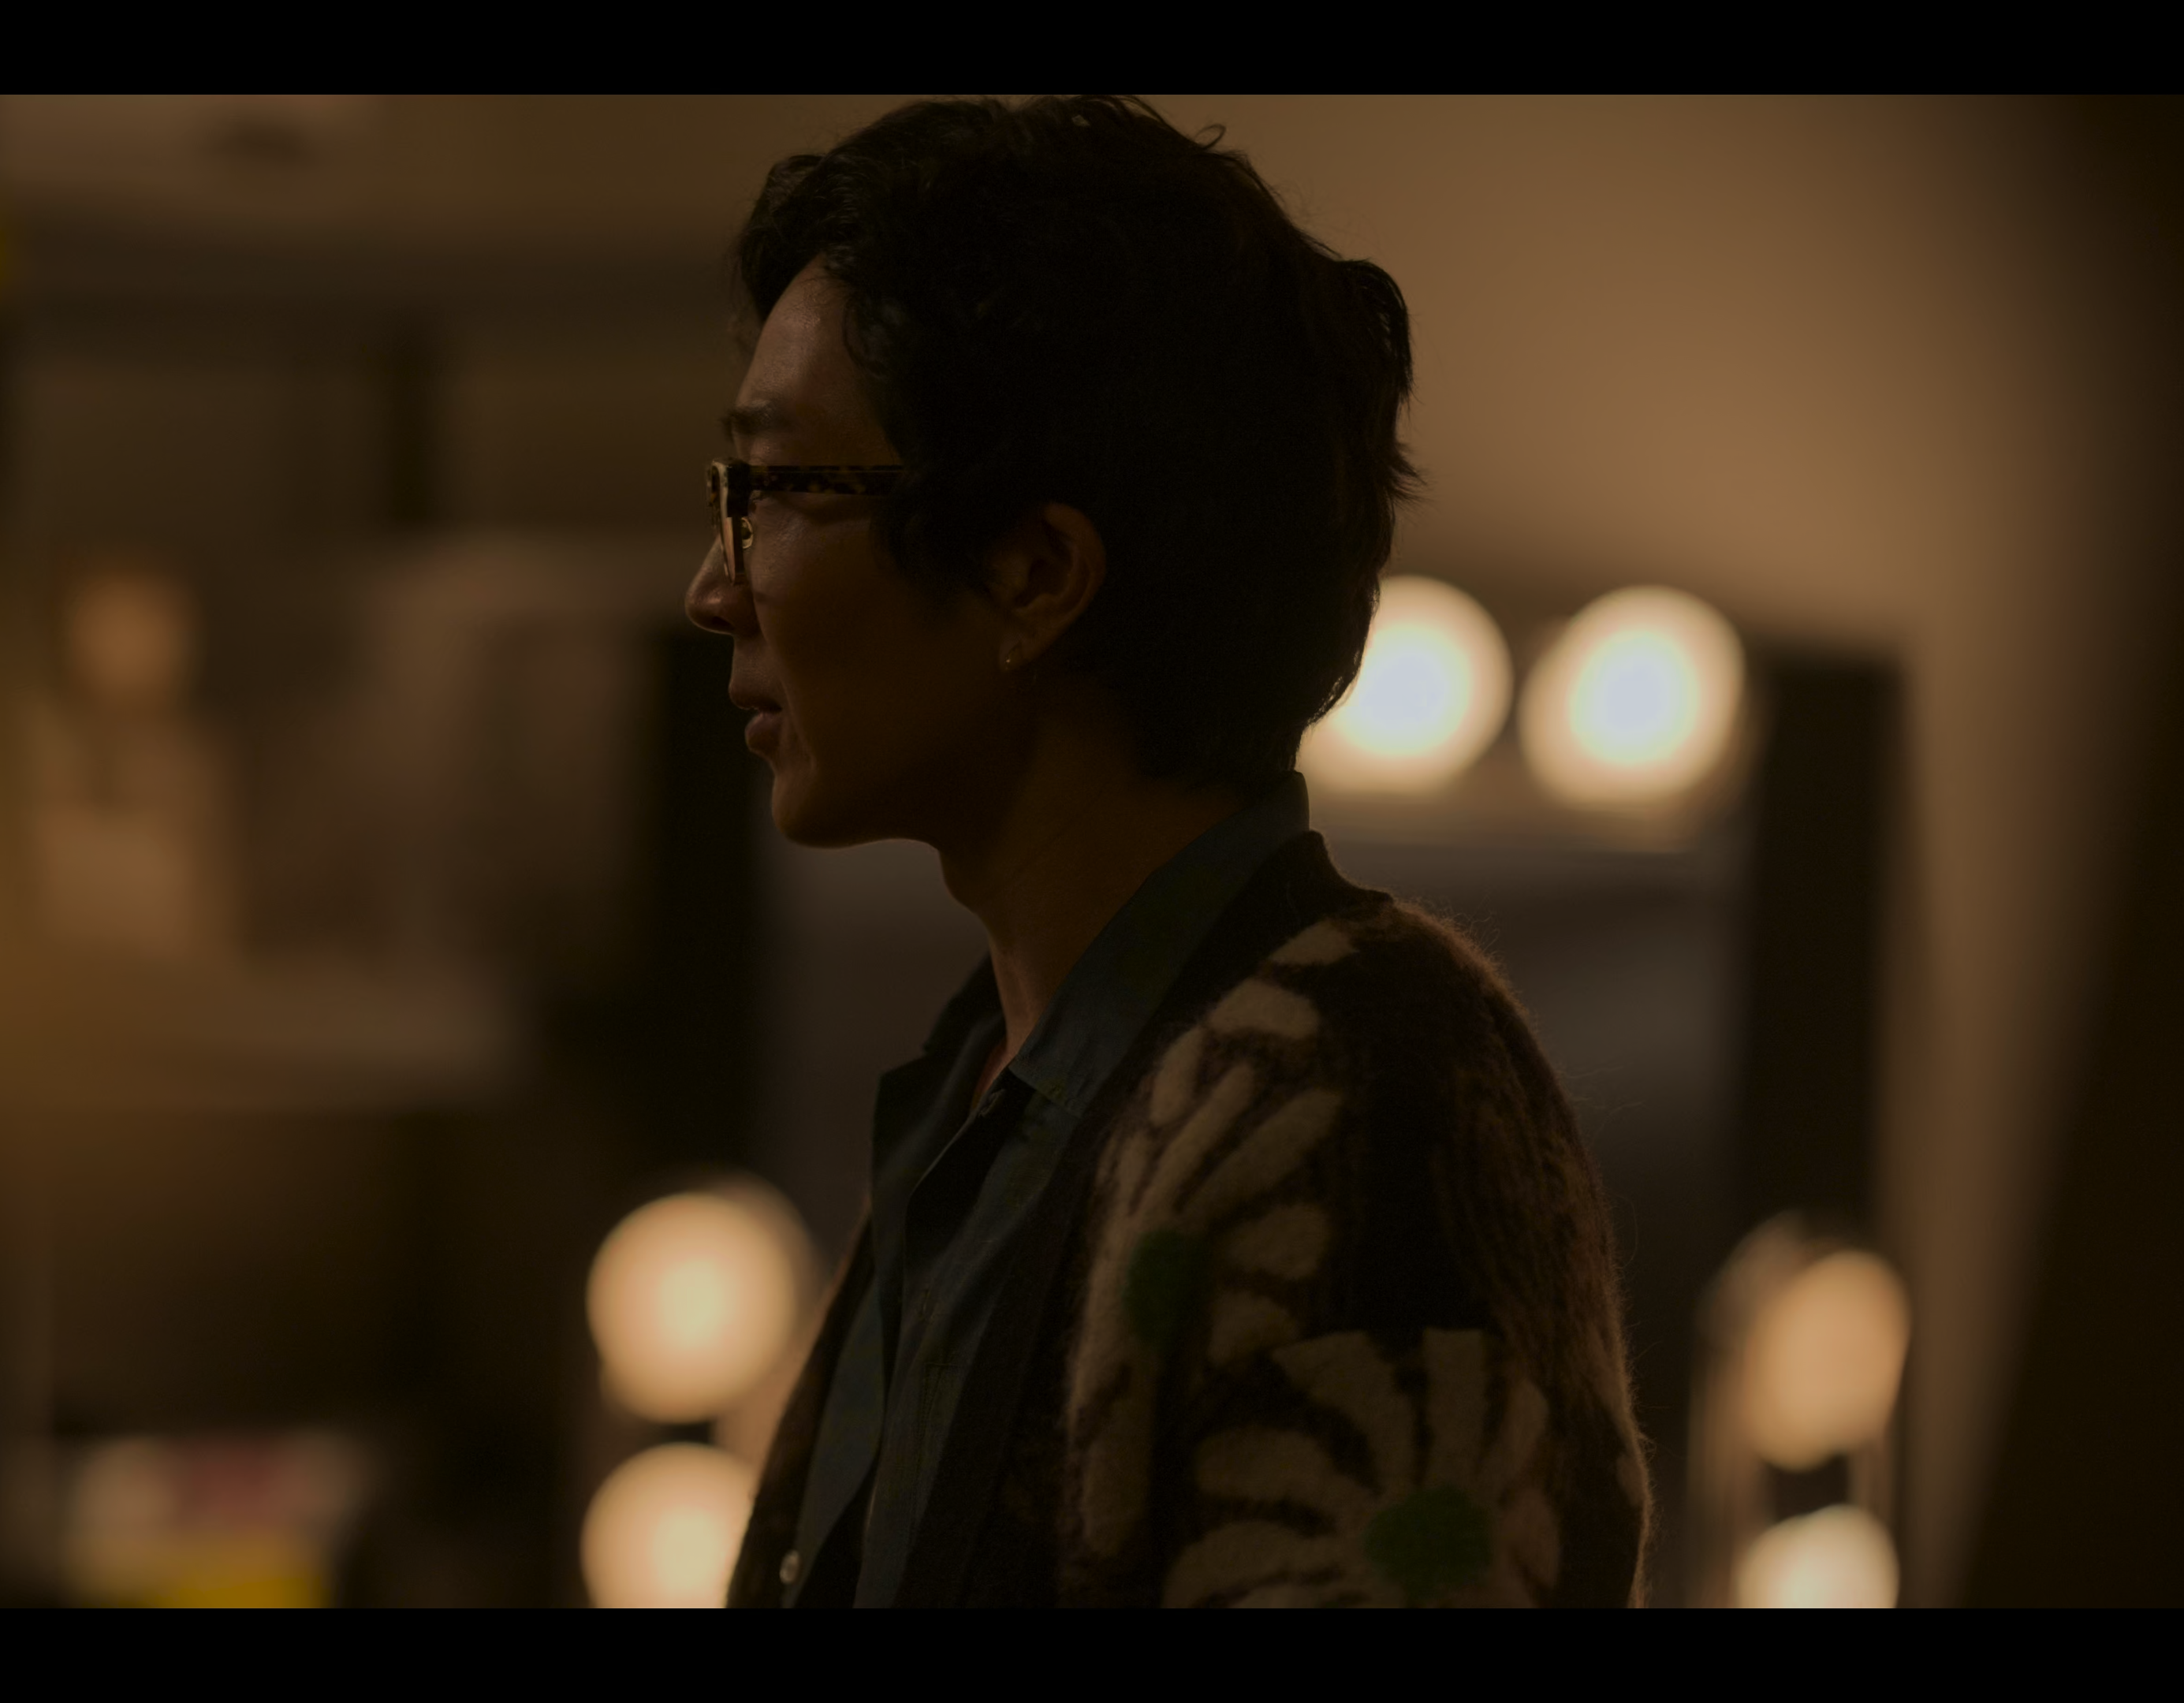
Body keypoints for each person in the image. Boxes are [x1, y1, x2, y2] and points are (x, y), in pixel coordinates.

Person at [683, 95, 1649, 1608]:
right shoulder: (989, 1091)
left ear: (1036, 574)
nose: (714, 585)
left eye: (782, 489)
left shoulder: (1365, 1082)